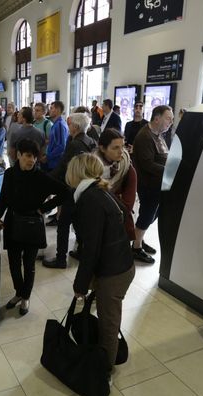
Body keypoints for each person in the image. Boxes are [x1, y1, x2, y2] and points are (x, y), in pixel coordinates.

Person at [67, 152, 135, 367]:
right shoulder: (100, 190)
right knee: (109, 319)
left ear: (76, 173)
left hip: (114, 272)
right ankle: (103, 361)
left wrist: (80, 284)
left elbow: (91, 249)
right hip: (120, 264)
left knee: (108, 324)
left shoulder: (90, 199)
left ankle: (103, 372)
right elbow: (125, 217)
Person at [0, 139, 69, 315]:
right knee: (13, 264)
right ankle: (19, 292)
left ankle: (25, 297)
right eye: (28, 156)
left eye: (35, 157)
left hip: (32, 224)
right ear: (18, 155)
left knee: (29, 264)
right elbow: (4, 199)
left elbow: (65, 192)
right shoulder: (10, 174)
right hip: (13, 222)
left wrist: (43, 208)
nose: (32, 160)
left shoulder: (41, 177)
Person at [43, 113, 96, 268]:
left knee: (63, 224)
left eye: (70, 124)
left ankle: (60, 259)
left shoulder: (74, 144)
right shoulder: (91, 141)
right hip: (85, 190)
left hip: (72, 189)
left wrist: (45, 179)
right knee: (78, 223)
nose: (68, 127)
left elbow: (63, 167)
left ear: (76, 127)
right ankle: (81, 251)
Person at [132, 105, 174, 263]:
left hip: (159, 184)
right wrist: (170, 170)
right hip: (148, 184)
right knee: (147, 214)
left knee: (152, 214)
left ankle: (139, 239)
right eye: (168, 118)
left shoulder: (158, 134)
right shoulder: (145, 136)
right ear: (157, 119)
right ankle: (136, 247)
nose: (170, 122)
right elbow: (147, 164)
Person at [95, 129, 137, 243]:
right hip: (94, 223)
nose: (121, 152)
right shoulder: (91, 168)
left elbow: (127, 205)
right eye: (115, 148)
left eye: (122, 146)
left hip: (118, 224)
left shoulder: (127, 169)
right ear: (102, 148)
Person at [42, 101, 69, 172]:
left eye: (51, 108)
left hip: (55, 163)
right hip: (53, 161)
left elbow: (61, 146)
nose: (49, 110)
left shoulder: (59, 125)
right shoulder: (56, 123)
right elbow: (55, 141)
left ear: (58, 110)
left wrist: (48, 157)